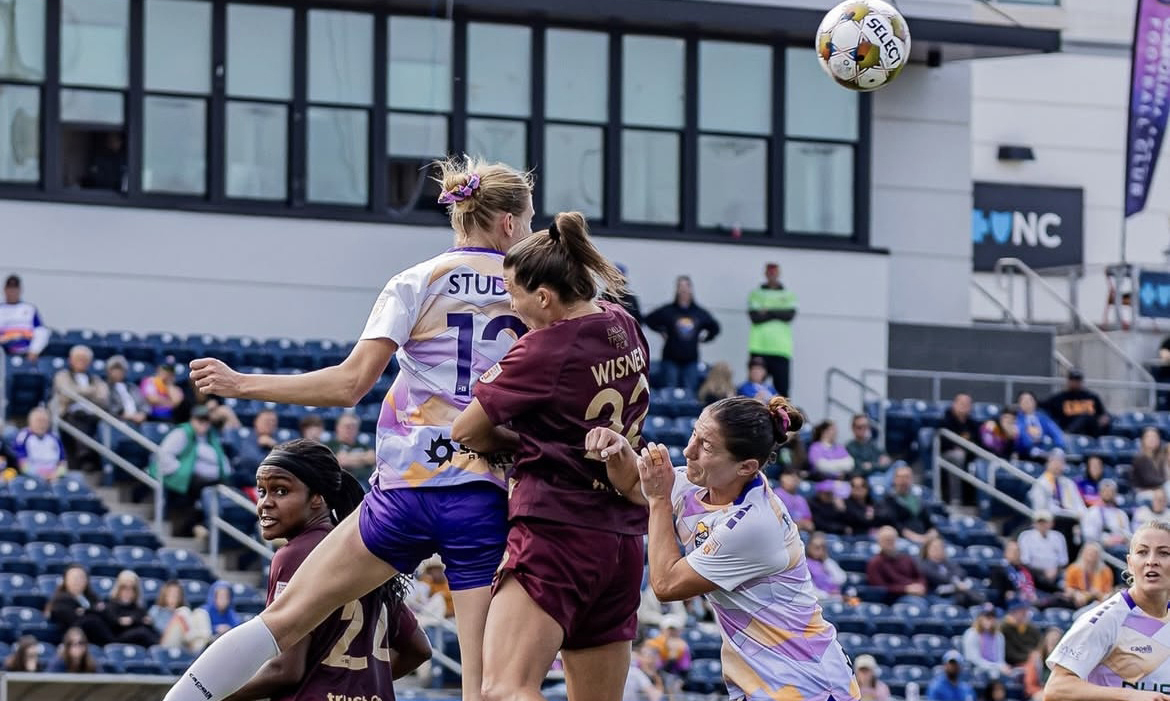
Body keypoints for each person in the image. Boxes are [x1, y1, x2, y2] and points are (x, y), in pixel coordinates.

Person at [163, 157, 534, 701]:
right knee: (483, 684)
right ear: (507, 223)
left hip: (406, 489)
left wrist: (241, 384)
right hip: (481, 496)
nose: (528, 232)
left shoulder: (415, 281)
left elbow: (348, 385)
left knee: (281, 622)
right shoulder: (533, 295)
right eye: (527, 221)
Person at [450, 211, 650, 701]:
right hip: (622, 540)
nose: (509, 305)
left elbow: (466, 430)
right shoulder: (621, 322)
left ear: (544, 297)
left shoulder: (544, 348)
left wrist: (528, 445)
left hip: (557, 532)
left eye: (513, 293)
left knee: (503, 689)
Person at [596, 396, 861, 701]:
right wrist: (615, 448)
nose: (688, 450)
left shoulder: (754, 524)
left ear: (745, 466)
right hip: (768, 684)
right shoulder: (704, 485)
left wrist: (659, 501)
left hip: (805, 685)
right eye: (695, 434)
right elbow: (631, 485)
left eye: (706, 446)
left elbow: (666, 584)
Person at [222, 440, 431, 701]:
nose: (265, 503)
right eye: (262, 491)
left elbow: (286, 669)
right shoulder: (363, 549)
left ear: (317, 499)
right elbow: (419, 649)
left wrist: (214, 696)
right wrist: (359, 686)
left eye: (281, 491)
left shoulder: (296, 554)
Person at [1044, 520, 1170, 701]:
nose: (1151, 561)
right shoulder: (1107, 618)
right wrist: (1130, 696)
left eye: (1164, 553)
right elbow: (1056, 689)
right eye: (1142, 552)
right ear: (1130, 564)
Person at [151, 405, 232, 537]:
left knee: (226, 487)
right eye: (200, 420)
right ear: (192, 420)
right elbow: (164, 456)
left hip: (209, 480)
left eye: (206, 420)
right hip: (183, 480)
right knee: (203, 490)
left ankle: (210, 527)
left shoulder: (211, 437)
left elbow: (222, 461)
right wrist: (181, 471)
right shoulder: (182, 433)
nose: (203, 424)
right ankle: (207, 527)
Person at [644, 275, 720, 392]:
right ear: (677, 289)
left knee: (689, 392)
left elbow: (715, 327)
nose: (684, 289)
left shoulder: (698, 312)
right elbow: (648, 319)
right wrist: (661, 331)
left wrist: (704, 339)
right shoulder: (668, 310)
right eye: (681, 286)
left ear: (691, 289)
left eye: (686, 286)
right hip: (670, 358)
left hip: (691, 359)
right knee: (669, 392)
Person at [52, 344, 109, 472]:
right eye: (78, 359)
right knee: (78, 418)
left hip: (92, 416)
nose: (81, 362)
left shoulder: (95, 379)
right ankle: (85, 455)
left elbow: (103, 397)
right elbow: (66, 394)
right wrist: (91, 392)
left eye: (84, 359)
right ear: (70, 360)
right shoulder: (62, 375)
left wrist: (79, 392)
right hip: (68, 416)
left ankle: (90, 456)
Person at [746, 262, 797, 396]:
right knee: (754, 388)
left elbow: (789, 315)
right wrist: (778, 311)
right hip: (759, 346)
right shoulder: (756, 294)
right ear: (765, 274)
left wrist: (767, 311)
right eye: (770, 273)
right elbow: (755, 317)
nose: (772, 277)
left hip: (781, 348)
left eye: (774, 274)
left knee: (782, 391)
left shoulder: (788, 294)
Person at [98, 569, 161, 647]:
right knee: (142, 632)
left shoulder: (138, 608)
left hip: (137, 641)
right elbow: (115, 622)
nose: (128, 591)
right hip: (117, 639)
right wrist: (135, 620)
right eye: (124, 587)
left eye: (132, 588)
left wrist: (132, 620)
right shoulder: (111, 605)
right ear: (118, 588)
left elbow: (146, 622)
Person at [1041, 369, 1111, 437]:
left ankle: (1068, 434)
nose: (1076, 383)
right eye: (1073, 380)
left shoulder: (1091, 397)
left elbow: (1103, 414)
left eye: (1078, 380)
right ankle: (1068, 435)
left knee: (1087, 417)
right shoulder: (1059, 398)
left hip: (1091, 432)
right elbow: (1043, 406)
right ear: (1068, 381)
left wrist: (1104, 418)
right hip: (1069, 428)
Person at [867, 525, 928, 603]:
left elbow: (920, 576)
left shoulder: (906, 558)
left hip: (917, 593)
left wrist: (921, 586)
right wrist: (905, 589)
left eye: (892, 539)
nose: (890, 543)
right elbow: (879, 588)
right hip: (895, 598)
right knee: (919, 604)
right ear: (879, 541)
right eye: (887, 540)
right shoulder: (875, 563)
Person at [939, 393, 981, 503]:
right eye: (961, 403)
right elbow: (941, 442)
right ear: (954, 404)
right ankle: (955, 499)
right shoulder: (945, 420)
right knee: (958, 457)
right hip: (946, 455)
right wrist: (955, 446)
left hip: (969, 455)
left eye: (967, 404)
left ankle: (980, 501)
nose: (964, 406)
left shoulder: (973, 423)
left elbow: (978, 441)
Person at [920, 534, 982, 606]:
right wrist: (955, 581)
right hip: (936, 595)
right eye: (935, 547)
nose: (938, 550)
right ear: (927, 550)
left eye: (941, 547)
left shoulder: (948, 563)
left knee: (965, 595)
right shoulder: (924, 565)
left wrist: (955, 582)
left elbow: (961, 572)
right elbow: (939, 578)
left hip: (955, 592)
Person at [152, 579, 212, 653]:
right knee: (183, 611)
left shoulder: (183, 609)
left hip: (184, 642)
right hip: (165, 644)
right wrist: (175, 618)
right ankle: (198, 643)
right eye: (171, 592)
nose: (174, 595)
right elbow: (158, 630)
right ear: (165, 594)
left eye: (177, 593)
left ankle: (204, 641)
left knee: (200, 612)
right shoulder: (156, 610)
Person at [0, 274, 49, 360]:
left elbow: (41, 331)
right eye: (10, 288)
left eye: (15, 288)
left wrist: (34, 350)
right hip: (3, 353)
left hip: (25, 353)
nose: (12, 291)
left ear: (20, 290)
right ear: (4, 290)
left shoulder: (29, 309)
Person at [13, 406, 67, 481]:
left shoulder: (54, 437)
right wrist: (41, 475)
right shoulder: (23, 437)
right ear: (30, 422)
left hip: (54, 477)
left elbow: (63, 463)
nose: (42, 424)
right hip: (31, 477)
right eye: (39, 420)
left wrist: (56, 474)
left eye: (45, 421)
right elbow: (22, 465)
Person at [961, 604, 1011, 678]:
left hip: (995, 671)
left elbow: (1000, 659)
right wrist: (996, 667)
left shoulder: (999, 636)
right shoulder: (971, 634)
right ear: (980, 618)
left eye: (992, 617)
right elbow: (974, 660)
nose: (989, 620)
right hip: (977, 671)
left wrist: (1003, 667)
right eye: (986, 617)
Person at [1062, 542, 1114, 609]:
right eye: (1089, 552)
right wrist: (1076, 594)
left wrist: (1097, 594)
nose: (1091, 555)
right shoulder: (1073, 569)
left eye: (1094, 553)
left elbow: (1108, 592)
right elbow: (1068, 588)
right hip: (1078, 601)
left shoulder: (1105, 571)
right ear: (1082, 553)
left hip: (1098, 603)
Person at [1015, 391, 1066, 456]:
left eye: (1029, 400)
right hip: (1025, 453)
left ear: (1035, 402)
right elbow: (1021, 435)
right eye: (1023, 400)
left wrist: (1059, 446)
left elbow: (1055, 431)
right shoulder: (1016, 419)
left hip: (1044, 450)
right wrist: (1030, 446)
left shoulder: (1043, 418)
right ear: (1019, 404)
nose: (1027, 402)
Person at [105, 355, 149, 424]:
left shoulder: (133, 387)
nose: (118, 373)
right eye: (115, 369)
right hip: (116, 422)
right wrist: (126, 415)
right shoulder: (105, 386)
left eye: (120, 370)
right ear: (109, 371)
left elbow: (143, 404)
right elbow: (108, 406)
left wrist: (142, 414)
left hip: (138, 422)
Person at [1131, 426, 1170, 501]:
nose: (1152, 439)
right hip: (1143, 492)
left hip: (1160, 491)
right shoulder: (1140, 459)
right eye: (1149, 437)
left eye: (1155, 437)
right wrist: (1166, 480)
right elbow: (1150, 480)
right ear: (1143, 440)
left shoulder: (1161, 458)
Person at [805, 532, 848, 601]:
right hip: (819, 601)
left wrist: (825, 560)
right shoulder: (804, 564)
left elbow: (841, 578)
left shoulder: (827, 562)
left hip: (834, 600)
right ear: (809, 547)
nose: (819, 549)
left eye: (822, 547)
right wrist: (829, 596)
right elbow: (810, 590)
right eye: (816, 546)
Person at [1022, 627, 1060, 701]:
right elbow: (1030, 686)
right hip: (1039, 693)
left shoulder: (1063, 663)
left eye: (1057, 641)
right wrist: (1043, 692)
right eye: (1051, 642)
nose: (1054, 644)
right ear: (1045, 642)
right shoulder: (1035, 659)